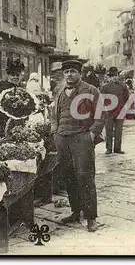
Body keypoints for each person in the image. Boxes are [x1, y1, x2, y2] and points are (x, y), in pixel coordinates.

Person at [51, 60, 105, 232]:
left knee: (85, 177)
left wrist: (92, 134)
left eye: (73, 71)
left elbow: (101, 114)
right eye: (66, 72)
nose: (69, 75)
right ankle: (76, 211)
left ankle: (91, 218)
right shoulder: (59, 92)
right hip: (63, 139)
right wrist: (55, 132)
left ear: (80, 73)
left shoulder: (91, 90)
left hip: (82, 138)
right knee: (68, 176)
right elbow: (54, 114)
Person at [100, 67, 130, 155]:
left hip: (120, 111)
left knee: (119, 131)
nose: (114, 77)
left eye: (116, 75)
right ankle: (108, 148)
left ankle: (117, 148)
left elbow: (126, 97)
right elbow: (102, 99)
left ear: (118, 76)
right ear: (109, 77)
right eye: (112, 76)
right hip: (109, 112)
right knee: (109, 130)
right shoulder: (105, 87)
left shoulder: (123, 86)